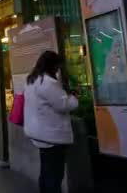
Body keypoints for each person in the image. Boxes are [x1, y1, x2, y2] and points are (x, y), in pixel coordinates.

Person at [24, 51, 78, 193]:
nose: (58, 69)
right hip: (52, 135)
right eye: (57, 66)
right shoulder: (48, 83)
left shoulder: (32, 80)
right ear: (52, 65)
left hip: (40, 133)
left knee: (46, 172)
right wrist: (73, 97)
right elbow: (64, 105)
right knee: (54, 175)